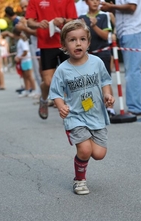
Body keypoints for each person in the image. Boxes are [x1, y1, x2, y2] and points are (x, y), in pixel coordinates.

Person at [49, 20, 115, 195]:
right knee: (85, 150)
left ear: (88, 42)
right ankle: (79, 180)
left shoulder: (97, 62)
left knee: (99, 154)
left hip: (96, 114)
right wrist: (61, 106)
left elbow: (106, 81)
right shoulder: (63, 69)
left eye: (82, 39)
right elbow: (55, 92)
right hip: (75, 116)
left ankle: (87, 143)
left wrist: (107, 94)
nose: (78, 43)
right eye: (72, 40)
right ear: (64, 45)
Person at [26, 0, 78, 119]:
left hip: (66, 42)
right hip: (46, 44)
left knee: (72, 78)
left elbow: (74, 19)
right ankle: (44, 99)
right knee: (49, 82)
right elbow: (29, 22)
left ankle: (75, 111)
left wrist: (63, 20)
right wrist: (39, 24)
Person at [101, 0, 141, 116]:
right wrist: (111, 7)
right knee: (133, 70)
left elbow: (132, 7)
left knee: (132, 71)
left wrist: (111, 6)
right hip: (127, 31)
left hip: (133, 30)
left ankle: (136, 107)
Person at [13, 27, 36, 97]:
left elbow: (25, 51)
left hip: (26, 60)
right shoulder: (21, 40)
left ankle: (34, 89)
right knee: (25, 76)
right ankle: (27, 89)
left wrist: (19, 57)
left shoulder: (22, 41)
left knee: (29, 76)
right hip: (23, 61)